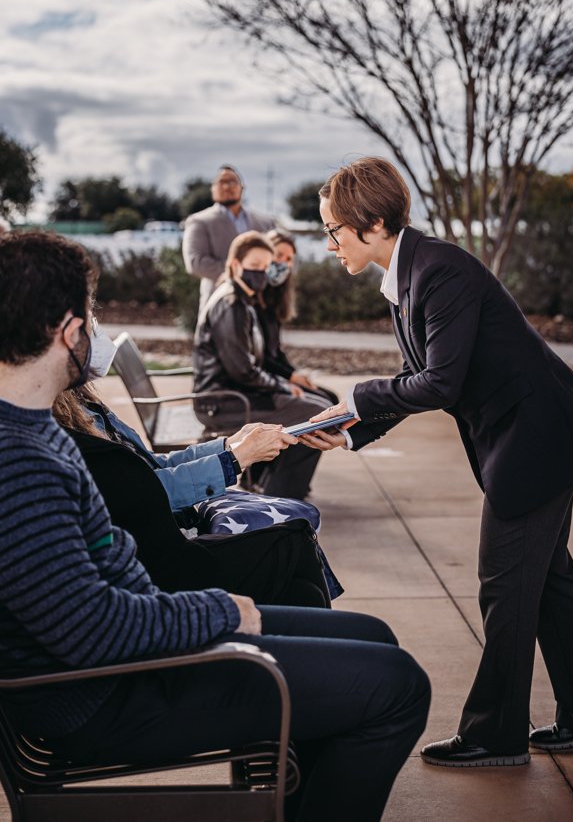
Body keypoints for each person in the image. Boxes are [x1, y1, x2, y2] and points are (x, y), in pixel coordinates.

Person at [0, 228, 430, 822]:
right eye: (90, 317)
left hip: (129, 659)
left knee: (374, 637)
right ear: (69, 333)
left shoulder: (34, 428)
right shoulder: (19, 460)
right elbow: (92, 629)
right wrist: (223, 611)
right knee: (399, 685)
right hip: (110, 694)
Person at [304, 156, 573, 768]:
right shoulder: (408, 275)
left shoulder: (438, 271)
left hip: (536, 438)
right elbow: (425, 377)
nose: (329, 243)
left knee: (506, 584)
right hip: (529, 434)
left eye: (334, 230)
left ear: (373, 222)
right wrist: (353, 429)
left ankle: (496, 736)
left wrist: (357, 398)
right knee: (549, 581)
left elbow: (438, 383)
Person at [53, 381, 342, 605]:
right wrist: (232, 459)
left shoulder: (80, 405)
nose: (92, 333)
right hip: (154, 562)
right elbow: (142, 492)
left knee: (300, 579)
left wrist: (228, 446)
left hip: (164, 541)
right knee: (293, 542)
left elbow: (151, 465)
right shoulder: (63, 431)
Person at [192, 230, 334, 499]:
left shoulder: (242, 300)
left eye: (265, 267)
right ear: (235, 265)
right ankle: (279, 499)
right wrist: (282, 386)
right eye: (255, 266)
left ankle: (276, 490)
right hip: (224, 401)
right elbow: (243, 371)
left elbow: (254, 363)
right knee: (317, 419)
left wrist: (283, 384)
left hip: (236, 394)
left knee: (321, 412)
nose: (262, 273)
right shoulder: (231, 304)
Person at [257, 228, 339, 405]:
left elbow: (276, 351)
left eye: (288, 260)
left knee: (330, 398)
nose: (283, 263)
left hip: (275, 375)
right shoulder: (251, 300)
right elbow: (259, 358)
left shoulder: (273, 299)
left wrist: (296, 375)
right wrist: (290, 376)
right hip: (263, 381)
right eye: (278, 255)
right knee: (324, 403)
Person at [182, 164, 276, 318]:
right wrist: (239, 272)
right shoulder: (199, 221)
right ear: (213, 189)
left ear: (242, 187)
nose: (227, 186)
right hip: (219, 302)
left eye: (232, 181)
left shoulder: (265, 222)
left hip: (262, 304)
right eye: (221, 182)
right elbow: (195, 262)